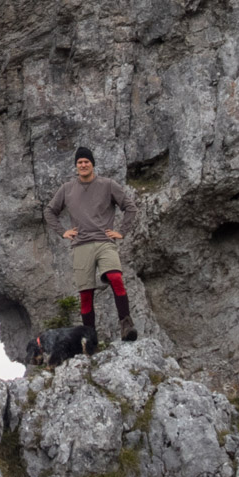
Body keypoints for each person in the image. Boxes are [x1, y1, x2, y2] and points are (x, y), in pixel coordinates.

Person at [44, 146, 138, 344]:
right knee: (86, 294)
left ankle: (126, 325)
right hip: (81, 246)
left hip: (105, 242)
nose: (83, 165)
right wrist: (63, 232)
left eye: (87, 161)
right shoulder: (67, 189)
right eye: (80, 162)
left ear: (92, 164)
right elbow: (49, 211)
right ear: (76, 166)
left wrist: (122, 231)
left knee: (116, 277)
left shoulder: (108, 185)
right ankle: (90, 339)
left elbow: (130, 207)